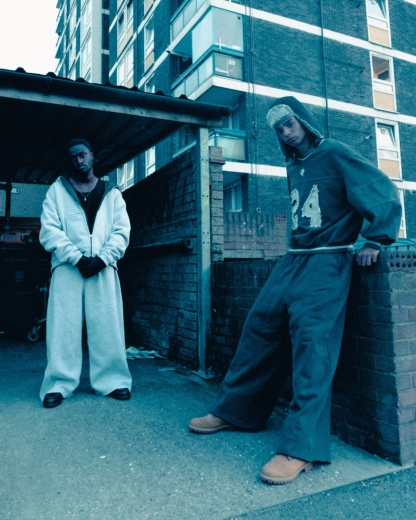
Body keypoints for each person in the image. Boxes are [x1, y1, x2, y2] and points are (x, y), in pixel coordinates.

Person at [189, 97, 402, 484]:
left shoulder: (334, 153)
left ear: (304, 121)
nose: (286, 132)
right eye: (279, 129)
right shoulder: (293, 165)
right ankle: (236, 412)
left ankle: (300, 449)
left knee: (312, 344)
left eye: (290, 123)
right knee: (260, 325)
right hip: (294, 257)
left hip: (328, 260)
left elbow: (382, 189)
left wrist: (375, 239)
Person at [39, 138, 132, 408]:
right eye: (73, 157)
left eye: (82, 155)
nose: (78, 160)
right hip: (68, 268)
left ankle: (113, 380)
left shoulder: (112, 192)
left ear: (92, 156)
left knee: (108, 324)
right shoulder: (57, 191)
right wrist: (76, 257)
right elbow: (49, 230)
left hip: (103, 268)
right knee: (62, 327)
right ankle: (58, 384)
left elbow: (121, 231)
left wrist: (103, 259)